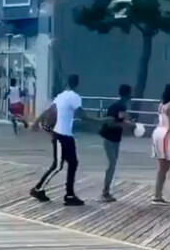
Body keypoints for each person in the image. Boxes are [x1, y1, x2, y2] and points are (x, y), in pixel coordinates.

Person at [30, 74, 112, 206]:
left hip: (64, 136)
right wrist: (102, 121)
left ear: (66, 82)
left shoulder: (60, 96)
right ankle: (38, 189)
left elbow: (48, 111)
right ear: (77, 83)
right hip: (62, 136)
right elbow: (83, 116)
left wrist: (36, 122)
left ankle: (69, 194)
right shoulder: (74, 97)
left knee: (72, 163)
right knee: (58, 165)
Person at [99, 84, 134, 202]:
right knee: (112, 164)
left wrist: (127, 123)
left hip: (114, 138)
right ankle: (105, 191)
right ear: (127, 94)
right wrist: (128, 125)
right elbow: (111, 123)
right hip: (110, 138)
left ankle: (106, 190)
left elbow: (120, 120)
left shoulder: (120, 106)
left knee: (113, 164)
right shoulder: (119, 106)